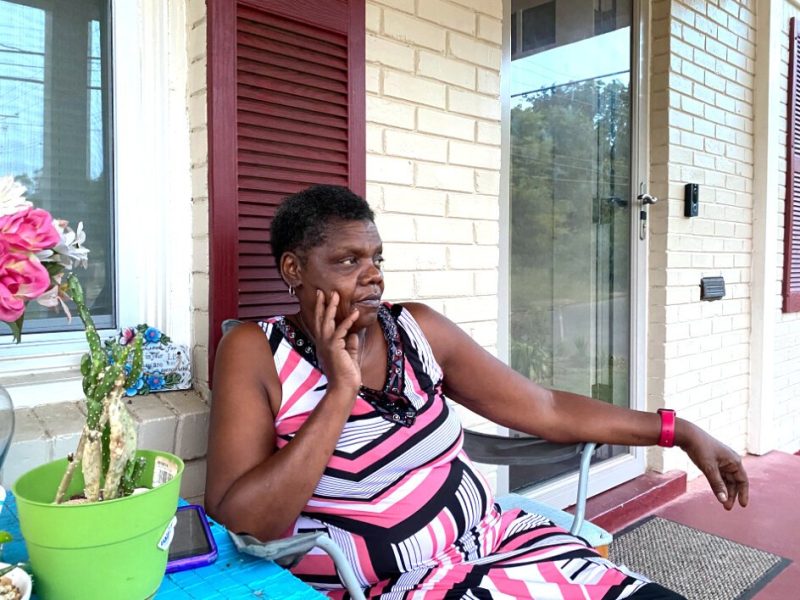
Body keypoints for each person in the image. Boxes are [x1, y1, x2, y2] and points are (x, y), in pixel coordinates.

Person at [206, 184, 748, 599]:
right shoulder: (256, 352)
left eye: (376, 259)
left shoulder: (415, 329)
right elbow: (244, 522)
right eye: (348, 261)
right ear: (294, 270)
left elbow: (546, 408)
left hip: (502, 541)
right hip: (394, 584)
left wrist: (677, 431)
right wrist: (339, 392)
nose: (372, 277)